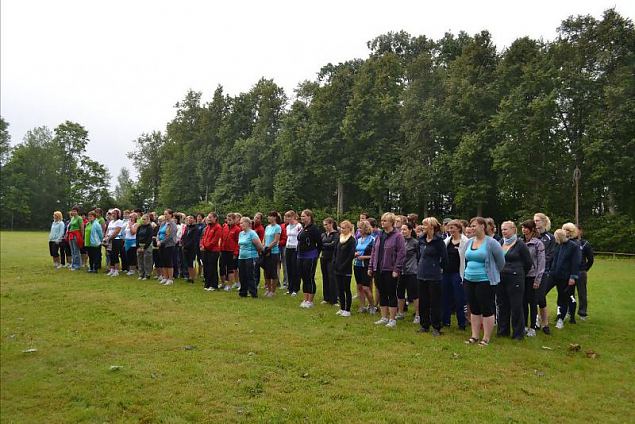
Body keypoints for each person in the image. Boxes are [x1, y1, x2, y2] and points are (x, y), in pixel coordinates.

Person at [463, 217, 505, 346]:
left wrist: (492, 273)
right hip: (469, 279)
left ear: (482, 226)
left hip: (485, 281)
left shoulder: (492, 243)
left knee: (486, 308)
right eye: (471, 225)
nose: (472, 228)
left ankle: (486, 338)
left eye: (474, 225)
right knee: (474, 308)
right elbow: (466, 259)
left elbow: (501, 262)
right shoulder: (469, 242)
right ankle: (474, 336)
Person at [369, 212, 406, 328]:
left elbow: (401, 253)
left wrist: (397, 269)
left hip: (390, 270)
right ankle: (384, 317)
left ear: (391, 222)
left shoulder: (398, 236)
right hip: (378, 269)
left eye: (385, 221)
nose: (382, 223)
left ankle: (392, 319)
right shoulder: (379, 235)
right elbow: (374, 251)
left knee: (391, 293)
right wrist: (371, 266)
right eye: (382, 220)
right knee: (382, 293)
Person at [497, 221, 533, 340]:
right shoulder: (500, 242)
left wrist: (519, 272)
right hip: (501, 277)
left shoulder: (520, 244)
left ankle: (518, 333)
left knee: (516, 305)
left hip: (515, 278)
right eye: (502, 229)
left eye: (506, 229)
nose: (503, 231)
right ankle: (503, 331)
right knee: (502, 304)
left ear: (513, 230)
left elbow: (528, 262)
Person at [416, 217, 448, 336]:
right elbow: (418, 255)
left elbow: (445, 259)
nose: (422, 227)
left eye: (425, 225)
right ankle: (424, 325)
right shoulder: (421, 240)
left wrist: (437, 268)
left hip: (434, 276)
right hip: (421, 274)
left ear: (432, 227)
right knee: (423, 301)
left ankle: (436, 326)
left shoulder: (439, 241)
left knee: (435, 302)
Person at [550, 229, 581, 329]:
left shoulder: (573, 246)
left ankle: (561, 318)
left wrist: (573, 277)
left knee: (564, 297)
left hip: (565, 277)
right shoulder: (557, 245)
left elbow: (576, 263)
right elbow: (553, 259)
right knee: (541, 294)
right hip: (553, 275)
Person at [520, 220, 545, 336]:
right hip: (522, 276)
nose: (524, 230)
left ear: (531, 229)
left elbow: (541, 263)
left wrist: (538, 279)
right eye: (522, 228)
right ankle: (524, 325)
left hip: (533, 276)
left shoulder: (538, 244)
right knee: (523, 301)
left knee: (533, 302)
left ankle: (533, 327)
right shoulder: (520, 242)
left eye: (526, 227)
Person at [443, 219, 468, 330]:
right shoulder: (446, 241)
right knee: (445, 298)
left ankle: (461, 323)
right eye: (449, 228)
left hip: (458, 273)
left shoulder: (465, 242)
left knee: (459, 299)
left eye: (452, 228)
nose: (450, 230)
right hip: (446, 273)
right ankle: (446, 321)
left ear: (458, 228)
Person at [534, 212, 556, 334]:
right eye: (534, 221)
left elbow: (550, 255)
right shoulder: (533, 236)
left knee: (541, 298)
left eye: (537, 220)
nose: (536, 223)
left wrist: (539, 263)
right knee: (534, 298)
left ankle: (545, 324)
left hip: (544, 271)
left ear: (543, 222)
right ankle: (536, 321)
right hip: (532, 272)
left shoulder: (550, 238)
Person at [297, 209, 323, 308]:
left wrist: (316, 254)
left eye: (304, 216)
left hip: (310, 256)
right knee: (303, 277)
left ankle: (310, 301)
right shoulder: (303, 228)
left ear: (309, 217)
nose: (302, 218)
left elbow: (320, 243)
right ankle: (305, 298)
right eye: (301, 216)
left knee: (309, 277)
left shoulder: (314, 229)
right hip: (301, 255)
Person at [397, 223, 419, 324]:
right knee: (400, 292)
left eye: (405, 229)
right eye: (401, 229)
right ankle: (400, 313)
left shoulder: (415, 243)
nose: (402, 231)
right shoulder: (399, 242)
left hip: (412, 271)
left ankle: (418, 315)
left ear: (410, 230)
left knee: (414, 294)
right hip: (401, 270)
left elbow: (419, 257)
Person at [334, 220, 356, 317]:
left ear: (349, 228)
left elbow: (351, 255)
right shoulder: (340, 238)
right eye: (341, 228)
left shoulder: (352, 240)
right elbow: (335, 251)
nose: (342, 230)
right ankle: (342, 308)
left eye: (343, 228)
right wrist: (334, 262)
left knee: (346, 288)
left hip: (346, 268)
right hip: (337, 267)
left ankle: (347, 309)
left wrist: (343, 265)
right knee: (340, 289)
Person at [237, 216, 263, 298]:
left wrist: (256, 253)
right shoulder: (241, 233)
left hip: (250, 256)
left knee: (250, 275)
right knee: (242, 275)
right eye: (240, 223)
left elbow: (259, 246)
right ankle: (243, 292)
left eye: (242, 223)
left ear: (248, 223)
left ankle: (253, 293)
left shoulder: (252, 233)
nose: (241, 224)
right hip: (241, 257)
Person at [354, 220, 376, 313]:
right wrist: (355, 254)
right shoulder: (358, 240)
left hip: (367, 266)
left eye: (360, 228)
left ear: (366, 229)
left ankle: (372, 306)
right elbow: (354, 250)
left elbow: (375, 255)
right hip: (357, 265)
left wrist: (365, 257)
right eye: (358, 228)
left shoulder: (372, 240)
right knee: (359, 287)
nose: (358, 230)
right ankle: (362, 306)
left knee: (366, 288)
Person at [575, 226, 594, 321]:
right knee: (567, 293)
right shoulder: (568, 242)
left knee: (582, 293)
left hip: (580, 272)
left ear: (580, 231)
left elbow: (590, 259)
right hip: (569, 272)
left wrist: (585, 269)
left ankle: (582, 312)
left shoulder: (585, 244)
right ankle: (567, 311)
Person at [200, 212, 222, 291]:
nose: (208, 219)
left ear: (215, 218)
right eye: (208, 217)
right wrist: (202, 245)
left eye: (210, 217)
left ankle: (214, 285)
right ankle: (207, 284)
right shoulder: (207, 227)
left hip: (213, 251)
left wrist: (206, 246)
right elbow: (203, 237)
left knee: (212, 268)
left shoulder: (218, 227)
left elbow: (215, 240)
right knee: (206, 267)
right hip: (205, 250)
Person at [320, 217, 339, 305]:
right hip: (323, 257)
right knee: (325, 277)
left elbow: (334, 245)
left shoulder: (336, 234)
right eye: (324, 225)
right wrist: (325, 245)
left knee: (332, 277)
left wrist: (324, 245)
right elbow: (320, 245)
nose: (325, 226)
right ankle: (326, 297)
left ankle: (334, 299)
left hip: (332, 258)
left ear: (331, 224)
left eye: (326, 224)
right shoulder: (323, 234)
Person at [263, 211, 282, 297]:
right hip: (266, 251)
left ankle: (273, 291)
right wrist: (263, 247)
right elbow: (264, 238)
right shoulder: (267, 227)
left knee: (273, 271)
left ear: (274, 217)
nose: (268, 218)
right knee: (266, 271)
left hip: (273, 252)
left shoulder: (277, 227)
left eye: (270, 216)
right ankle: (268, 289)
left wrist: (268, 248)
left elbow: (276, 240)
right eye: (268, 216)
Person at [157, 209, 178, 285]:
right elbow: (158, 233)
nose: (165, 215)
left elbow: (170, 236)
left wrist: (161, 242)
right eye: (164, 214)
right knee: (163, 261)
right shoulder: (163, 223)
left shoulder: (172, 224)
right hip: (161, 245)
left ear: (171, 215)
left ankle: (170, 278)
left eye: (166, 214)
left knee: (169, 261)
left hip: (169, 245)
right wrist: (158, 240)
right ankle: (165, 277)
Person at [284, 210, 301, 296]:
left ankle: (295, 288)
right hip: (288, 248)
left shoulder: (298, 226)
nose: (287, 219)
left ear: (294, 217)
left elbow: (300, 237)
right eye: (287, 217)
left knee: (295, 268)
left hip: (295, 248)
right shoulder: (287, 226)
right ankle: (290, 288)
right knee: (289, 268)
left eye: (289, 217)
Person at [103, 208, 125, 277]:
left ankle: (116, 270)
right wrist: (106, 237)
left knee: (115, 254)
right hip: (109, 239)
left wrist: (109, 238)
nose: (113, 215)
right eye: (112, 214)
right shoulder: (111, 222)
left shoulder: (120, 222)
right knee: (111, 255)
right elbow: (108, 231)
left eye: (115, 214)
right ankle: (112, 269)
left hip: (117, 239)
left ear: (118, 214)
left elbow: (116, 231)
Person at [181, 215, 201, 284]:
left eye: (191, 218)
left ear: (194, 220)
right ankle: (189, 276)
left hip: (192, 248)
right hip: (185, 248)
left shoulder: (196, 229)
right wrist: (183, 244)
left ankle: (192, 277)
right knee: (188, 263)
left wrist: (186, 245)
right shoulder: (187, 227)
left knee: (191, 263)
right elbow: (183, 236)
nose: (189, 219)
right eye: (188, 218)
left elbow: (194, 240)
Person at [136, 214, 154, 280]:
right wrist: (138, 246)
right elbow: (137, 237)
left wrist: (144, 247)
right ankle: (141, 274)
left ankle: (147, 274)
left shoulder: (150, 228)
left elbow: (149, 238)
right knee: (140, 260)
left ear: (148, 220)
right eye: (142, 219)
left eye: (145, 219)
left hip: (147, 245)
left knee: (147, 260)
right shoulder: (139, 227)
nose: (143, 220)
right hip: (139, 245)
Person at [67, 206, 85, 271]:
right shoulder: (72, 218)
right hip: (71, 234)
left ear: (77, 212)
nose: (73, 212)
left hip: (76, 235)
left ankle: (77, 265)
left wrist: (82, 236)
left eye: (75, 211)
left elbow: (82, 228)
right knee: (72, 251)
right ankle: (73, 264)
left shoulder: (79, 218)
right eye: (72, 211)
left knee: (76, 250)